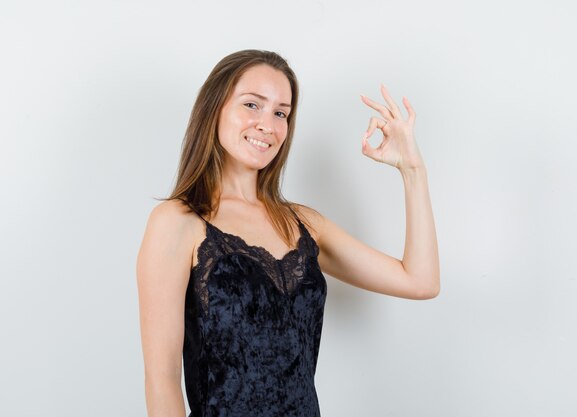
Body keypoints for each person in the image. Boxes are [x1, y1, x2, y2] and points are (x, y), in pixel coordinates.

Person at [136, 49, 440, 417]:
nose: (268, 124)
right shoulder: (177, 222)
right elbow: (161, 379)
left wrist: (412, 170)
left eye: (281, 112)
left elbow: (420, 281)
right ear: (214, 109)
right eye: (252, 105)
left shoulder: (304, 224)